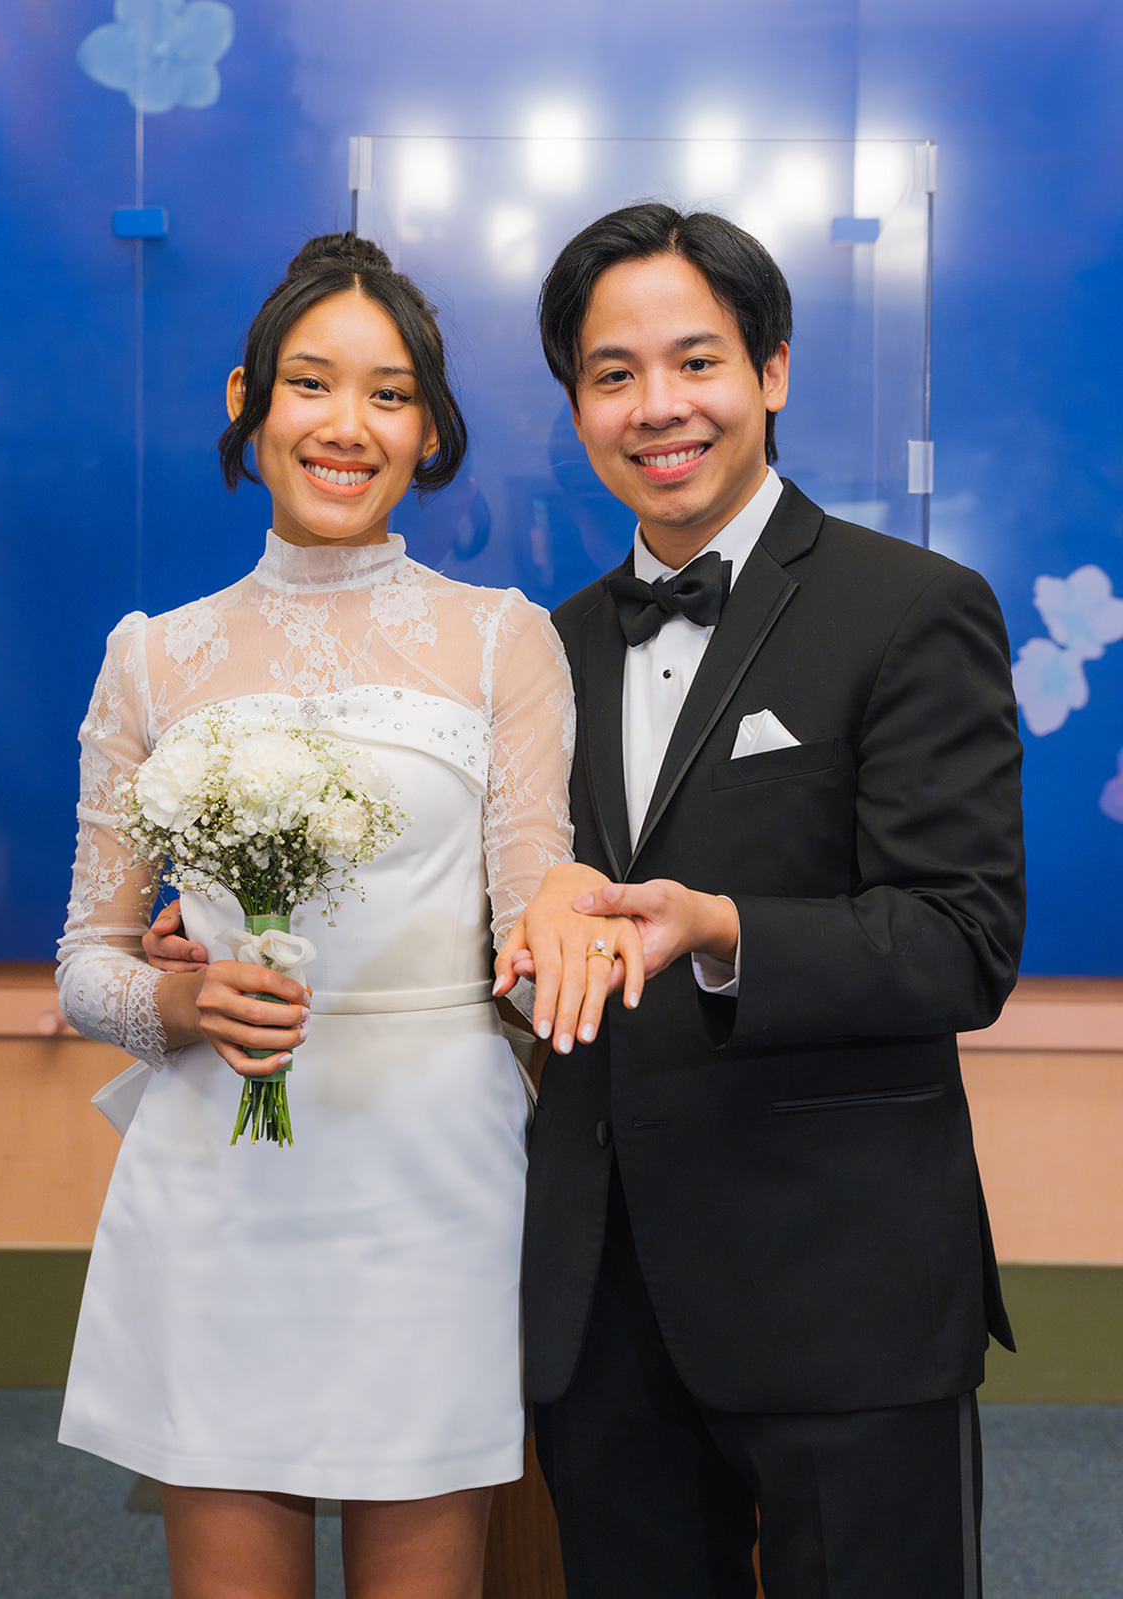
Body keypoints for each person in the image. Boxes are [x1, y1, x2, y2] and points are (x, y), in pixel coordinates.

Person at [56, 233, 637, 1599]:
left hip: (432, 1173)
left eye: (390, 394)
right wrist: (177, 999)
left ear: (427, 430)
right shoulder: (151, 656)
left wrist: (564, 934)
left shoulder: (504, 640)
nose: (347, 425)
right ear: (248, 401)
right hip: (218, 1173)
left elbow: (532, 895)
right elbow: (87, 962)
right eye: (311, 383)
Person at [492, 203, 1026, 1598]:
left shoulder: (911, 606)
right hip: (603, 1302)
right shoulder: (542, 650)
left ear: (771, 370)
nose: (658, 407)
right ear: (576, 406)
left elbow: (960, 942)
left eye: (697, 361)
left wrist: (723, 932)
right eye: (613, 374)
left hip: (842, 1290)